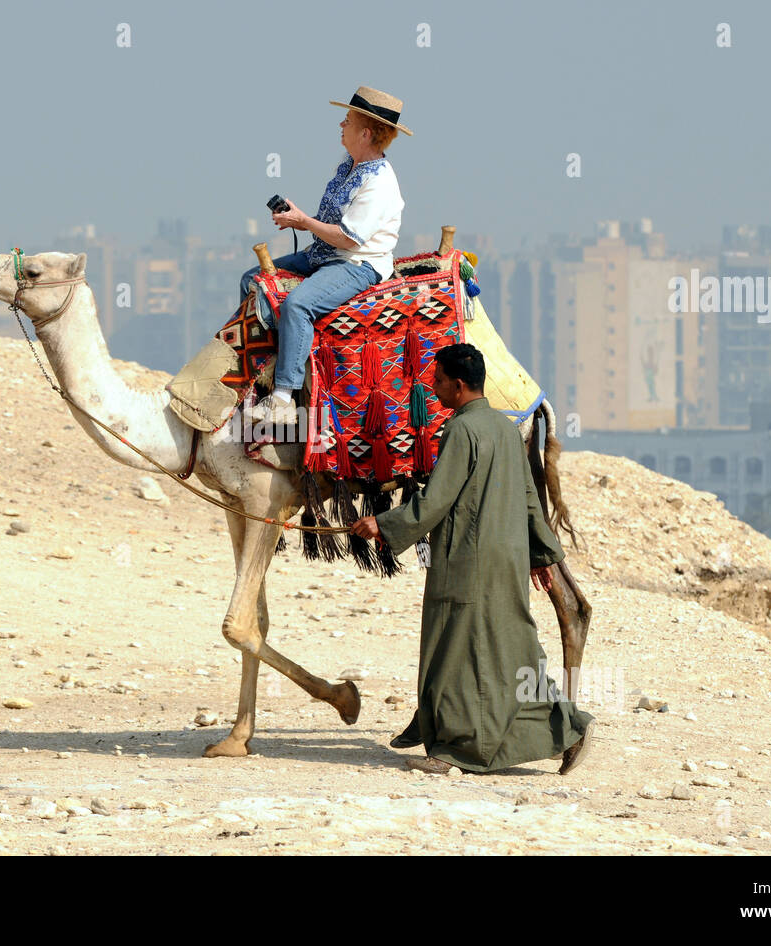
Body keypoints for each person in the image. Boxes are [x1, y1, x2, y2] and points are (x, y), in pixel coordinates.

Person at [350, 344, 597, 775]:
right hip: (508, 560)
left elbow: (436, 501)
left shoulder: (461, 431)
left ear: (459, 385)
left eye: (439, 381)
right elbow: (528, 499)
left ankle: (455, 752)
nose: (433, 388)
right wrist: (540, 554)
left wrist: (383, 526)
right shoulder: (504, 429)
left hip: (469, 560)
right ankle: (568, 730)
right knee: (513, 652)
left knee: (456, 651)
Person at [239, 86, 410, 427]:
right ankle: (265, 367)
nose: (341, 125)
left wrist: (303, 221)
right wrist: (300, 221)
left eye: (347, 120)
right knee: (253, 281)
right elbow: (331, 224)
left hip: (356, 264)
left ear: (365, 132)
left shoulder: (380, 183)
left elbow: (348, 239)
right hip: (323, 253)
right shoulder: (349, 165)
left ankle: (284, 397)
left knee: (298, 305)